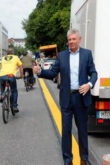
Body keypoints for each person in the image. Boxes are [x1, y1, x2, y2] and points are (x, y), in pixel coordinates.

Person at [33, 28, 98, 165]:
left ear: (79, 40)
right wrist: (40, 72)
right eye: (69, 40)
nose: (71, 42)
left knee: (82, 131)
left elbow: (93, 73)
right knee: (66, 131)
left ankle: (84, 159)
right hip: (66, 99)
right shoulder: (62, 56)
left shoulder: (87, 54)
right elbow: (52, 73)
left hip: (81, 97)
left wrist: (89, 84)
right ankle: (68, 160)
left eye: (74, 39)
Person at [0, 48, 23, 112]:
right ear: (13, 52)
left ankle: (2, 95)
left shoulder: (3, 58)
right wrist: (21, 75)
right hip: (11, 76)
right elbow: (20, 66)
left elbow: (0, 68)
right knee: (14, 91)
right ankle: (14, 106)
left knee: (2, 87)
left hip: (2, 76)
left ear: (7, 53)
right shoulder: (16, 57)